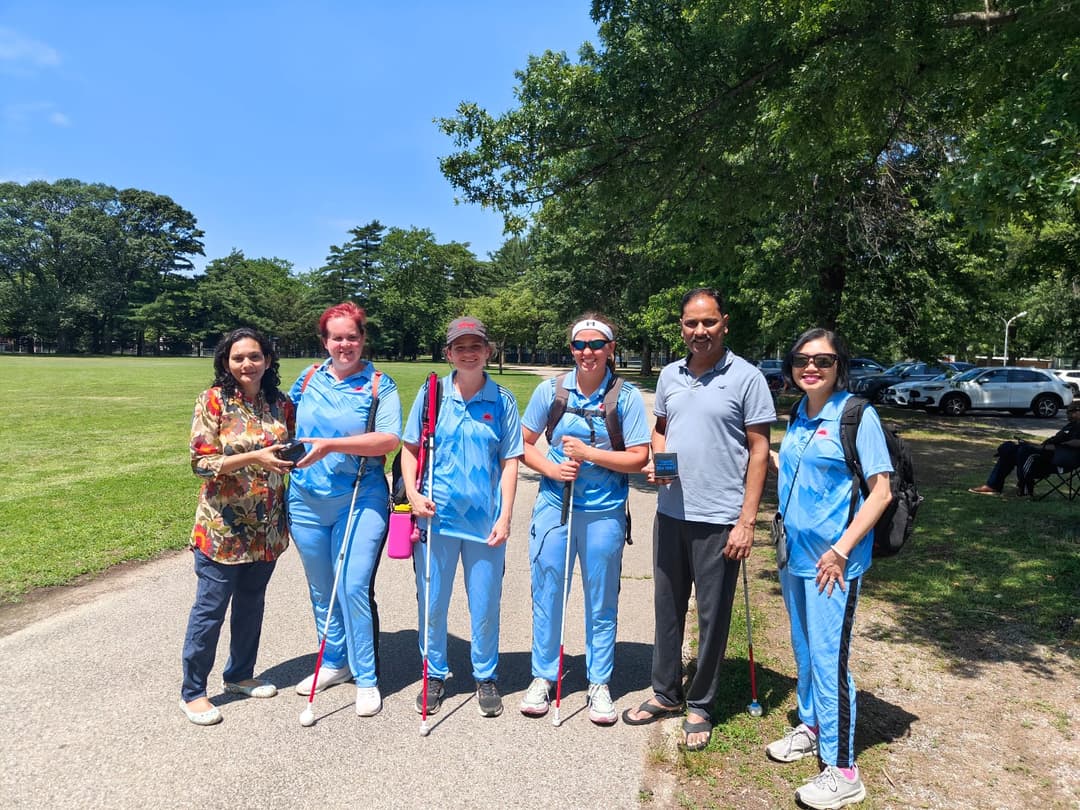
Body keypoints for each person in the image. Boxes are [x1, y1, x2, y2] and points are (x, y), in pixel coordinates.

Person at [622, 288, 774, 752]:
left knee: (712, 616)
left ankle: (701, 703)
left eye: (708, 322)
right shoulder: (670, 374)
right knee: (667, 609)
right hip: (671, 514)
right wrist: (659, 460)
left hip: (720, 519)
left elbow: (760, 450)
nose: (700, 331)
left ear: (724, 323)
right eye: (691, 323)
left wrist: (746, 521)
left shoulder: (747, 378)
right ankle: (666, 693)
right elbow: (661, 428)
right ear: (682, 326)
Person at [767, 328, 893, 810]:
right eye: (801, 360)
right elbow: (808, 473)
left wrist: (841, 549)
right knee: (804, 651)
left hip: (832, 565)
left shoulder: (858, 415)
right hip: (794, 557)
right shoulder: (800, 413)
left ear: (841, 364)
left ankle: (842, 769)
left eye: (822, 359)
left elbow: (881, 490)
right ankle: (812, 726)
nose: (810, 367)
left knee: (828, 660)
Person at [518, 314, 651, 725]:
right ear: (571, 349)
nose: (587, 353)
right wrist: (552, 469)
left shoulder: (624, 397)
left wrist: (590, 454)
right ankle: (543, 676)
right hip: (555, 507)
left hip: (604, 511)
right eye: (580, 345)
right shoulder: (551, 391)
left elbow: (639, 457)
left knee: (601, 599)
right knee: (548, 593)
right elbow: (524, 443)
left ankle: (598, 682)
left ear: (611, 348)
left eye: (596, 345)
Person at [400, 317, 524, 718]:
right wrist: (414, 495)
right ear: (449, 353)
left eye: (477, 346)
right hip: (436, 520)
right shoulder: (431, 394)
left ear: (488, 351)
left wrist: (505, 516)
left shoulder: (502, 400)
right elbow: (410, 449)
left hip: (485, 523)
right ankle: (433, 673)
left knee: (485, 603)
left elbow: (510, 462)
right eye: (460, 346)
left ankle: (485, 675)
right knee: (433, 603)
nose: (469, 353)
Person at [287, 302, 402, 717]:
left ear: (362, 339)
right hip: (305, 500)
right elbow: (283, 418)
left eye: (352, 336)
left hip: (360, 497)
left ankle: (366, 677)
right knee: (322, 588)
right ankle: (334, 661)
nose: (345, 344)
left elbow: (389, 439)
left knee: (352, 586)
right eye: (337, 337)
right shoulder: (309, 377)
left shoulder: (378, 385)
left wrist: (332, 446)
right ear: (325, 341)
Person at [180, 327, 295, 726]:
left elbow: (289, 448)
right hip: (222, 530)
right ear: (226, 362)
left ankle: (240, 675)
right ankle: (193, 691)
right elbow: (200, 463)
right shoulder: (213, 401)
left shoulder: (280, 403)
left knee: (251, 605)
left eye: (255, 356)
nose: (247, 364)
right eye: (238, 357)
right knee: (209, 611)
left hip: (268, 528)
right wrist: (254, 458)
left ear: (268, 360)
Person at [968, 401, 1080, 496]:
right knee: (1009, 447)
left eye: (1071, 412)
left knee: (1024, 451)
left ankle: (1025, 489)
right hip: (1046, 452)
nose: (1068, 415)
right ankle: (992, 486)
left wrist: (1045, 447)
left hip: (1059, 460)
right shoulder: (1070, 426)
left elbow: (1073, 443)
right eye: (1067, 412)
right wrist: (1038, 446)